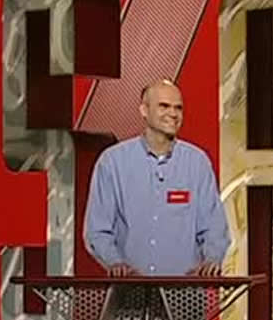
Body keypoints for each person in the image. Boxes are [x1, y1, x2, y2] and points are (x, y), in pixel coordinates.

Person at [84, 79, 231, 277]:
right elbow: (97, 230)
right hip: (129, 290)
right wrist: (115, 263)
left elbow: (214, 226)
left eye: (178, 108)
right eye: (164, 106)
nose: (173, 114)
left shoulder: (197, 163)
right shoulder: (112, 162)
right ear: (144, 110)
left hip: (184, 291)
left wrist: (212, 259)